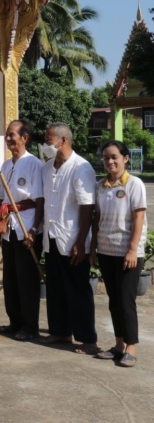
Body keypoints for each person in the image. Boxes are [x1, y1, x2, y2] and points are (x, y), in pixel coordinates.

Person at [40, 122, 98, 353]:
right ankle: (60, 332)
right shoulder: (46, 168)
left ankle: (87, 338)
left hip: (73, 239)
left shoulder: (80, 167)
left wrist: (81, 241)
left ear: (63, 140)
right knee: (55, 288)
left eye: (49, 139)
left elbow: (87, 207)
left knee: (77, 289)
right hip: (51, 236)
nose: (46, 144)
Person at [94, 140, 147, 367]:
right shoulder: (101, 185)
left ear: (125, 158)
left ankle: (131, 347)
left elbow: (139, 217)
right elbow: (97, 217)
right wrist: (93, 248)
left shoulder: (134, 184)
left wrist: (132, 250)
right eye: (106, 158)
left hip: (128, 252)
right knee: (114, 301)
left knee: (126, 301)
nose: (110, 161)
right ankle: (118, 345)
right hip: (106, 251)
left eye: (114, 157)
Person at [0, 119, 43, 340]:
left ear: (25, 138)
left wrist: (34, 229)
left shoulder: (34, 164)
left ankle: (29, 326)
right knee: (10, 279)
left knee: (26, 279)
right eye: (6, 134)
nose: (8, 138)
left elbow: (39, 200)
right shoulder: (6, 165)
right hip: (9, 227)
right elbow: (3, 200)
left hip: (26, 227)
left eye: (12, 134)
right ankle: (14, 322)